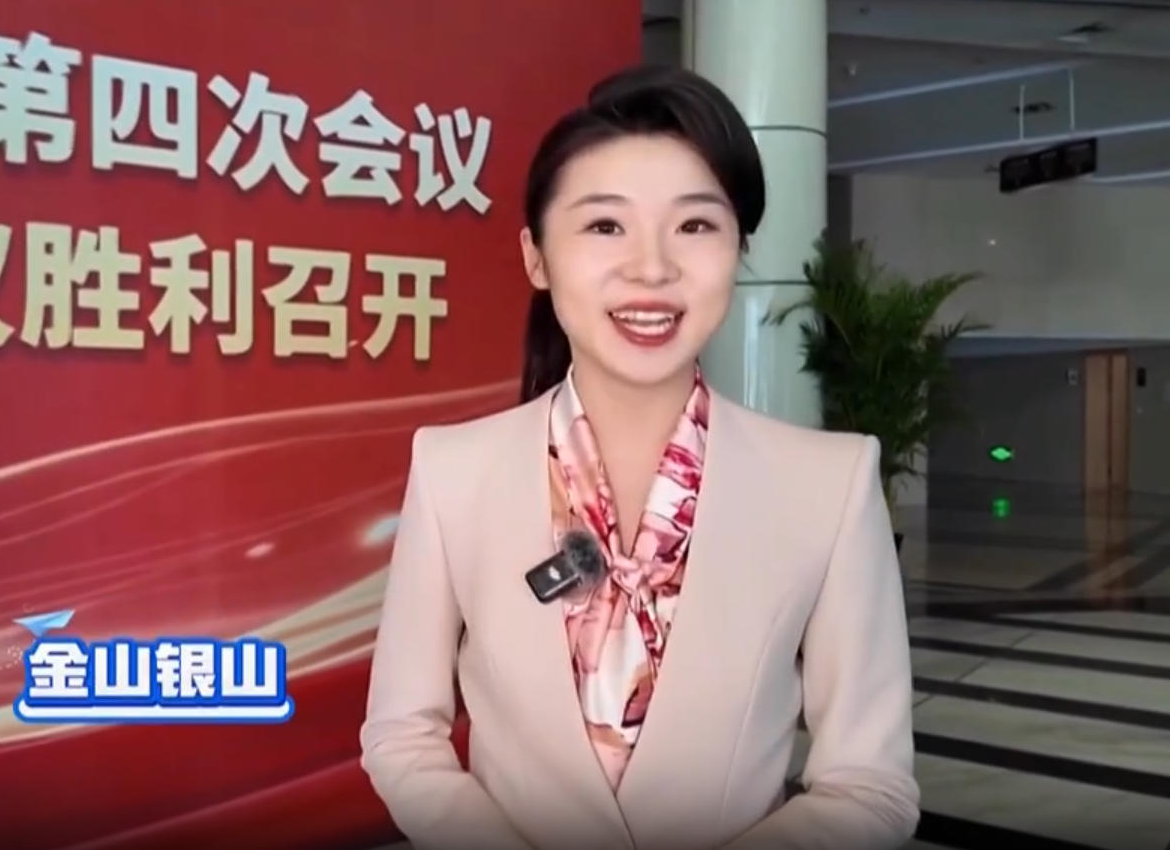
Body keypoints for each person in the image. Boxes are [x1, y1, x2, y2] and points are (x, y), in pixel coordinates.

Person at [358, 64, 919, 850]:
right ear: (536, 257)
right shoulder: (453, 470)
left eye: (694, 226)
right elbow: (401, 733)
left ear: (738, 249)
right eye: (603, 226)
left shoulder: (829, 483)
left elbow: (869, 783)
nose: (652, 268)